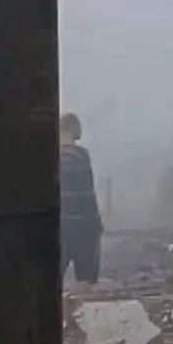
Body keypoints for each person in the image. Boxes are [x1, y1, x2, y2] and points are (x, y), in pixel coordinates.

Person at [60, 112, 103, 284]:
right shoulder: (82, 157)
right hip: (84, 228)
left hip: (63, 228)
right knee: (86, 282)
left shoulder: (76, 158)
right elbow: (89, 198)